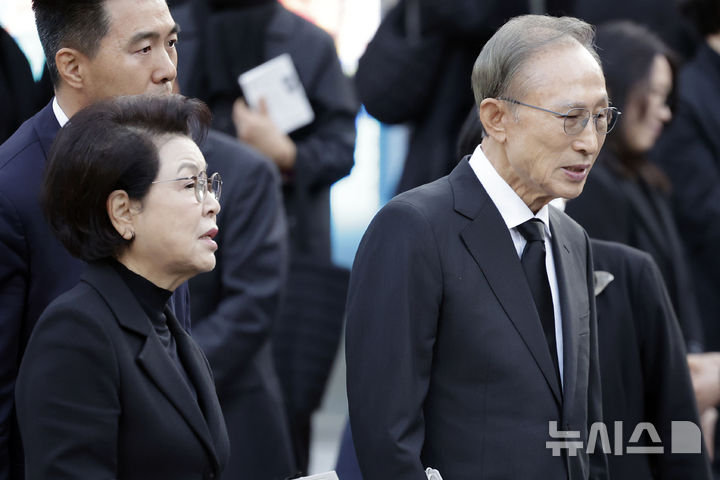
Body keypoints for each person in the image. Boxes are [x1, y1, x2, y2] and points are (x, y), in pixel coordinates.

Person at [346, 14, 611, 480]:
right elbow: (386, 439)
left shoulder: (572, 240)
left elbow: (584, 431)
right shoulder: (414, 228)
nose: (589, 142)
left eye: (601, 118)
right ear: (496, 118)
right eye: (570, 118)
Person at [0, 1, 188, 477]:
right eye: (143, 48)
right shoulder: (13, 190)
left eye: (171, 43)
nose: (167, 69)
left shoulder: (171, 163)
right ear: (71, 66)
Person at [170, 1, 358, 471]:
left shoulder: (308, 42)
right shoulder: (173, 30)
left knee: (285, 404)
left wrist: (287, 154)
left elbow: (342, 147)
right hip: (182, 244)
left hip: (288, 247)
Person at [15, 93, 228, 479]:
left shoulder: (170, 326)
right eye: (190, 185)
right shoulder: (77, 332)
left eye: (209, 183)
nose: (211, 202)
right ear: (123, 211)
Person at [565, 21, 705, 353]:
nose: (666, 113)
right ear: (613, 91)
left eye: (666, 97)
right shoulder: (589, 185)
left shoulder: (647, 178)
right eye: (654, 95)